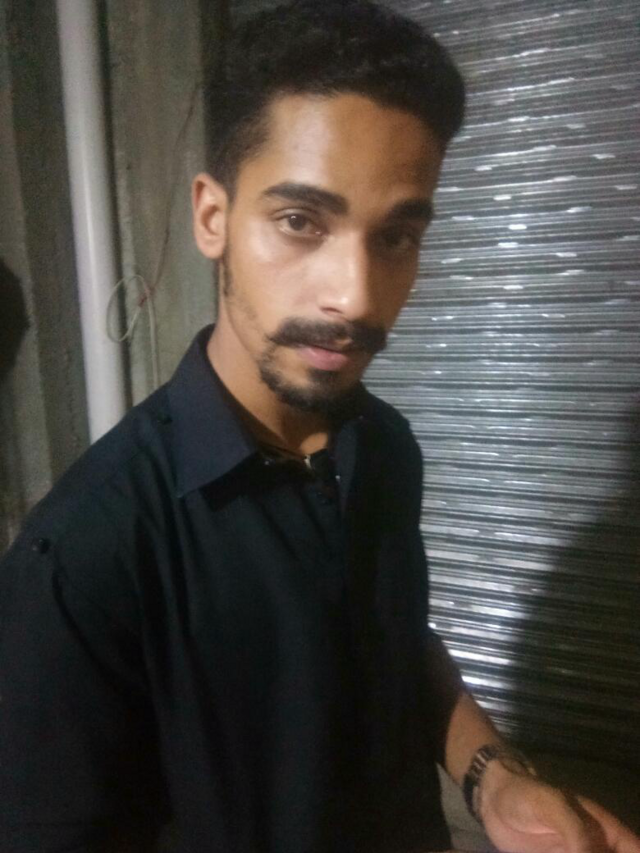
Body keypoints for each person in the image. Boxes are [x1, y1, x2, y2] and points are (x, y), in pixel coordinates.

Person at [1, 1, 638, 851]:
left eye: (397, 235)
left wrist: (492, 777)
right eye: (301, 221)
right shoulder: (82, 560)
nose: (356, 296)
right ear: (212, 217)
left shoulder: (383, 446)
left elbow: (392, 641)